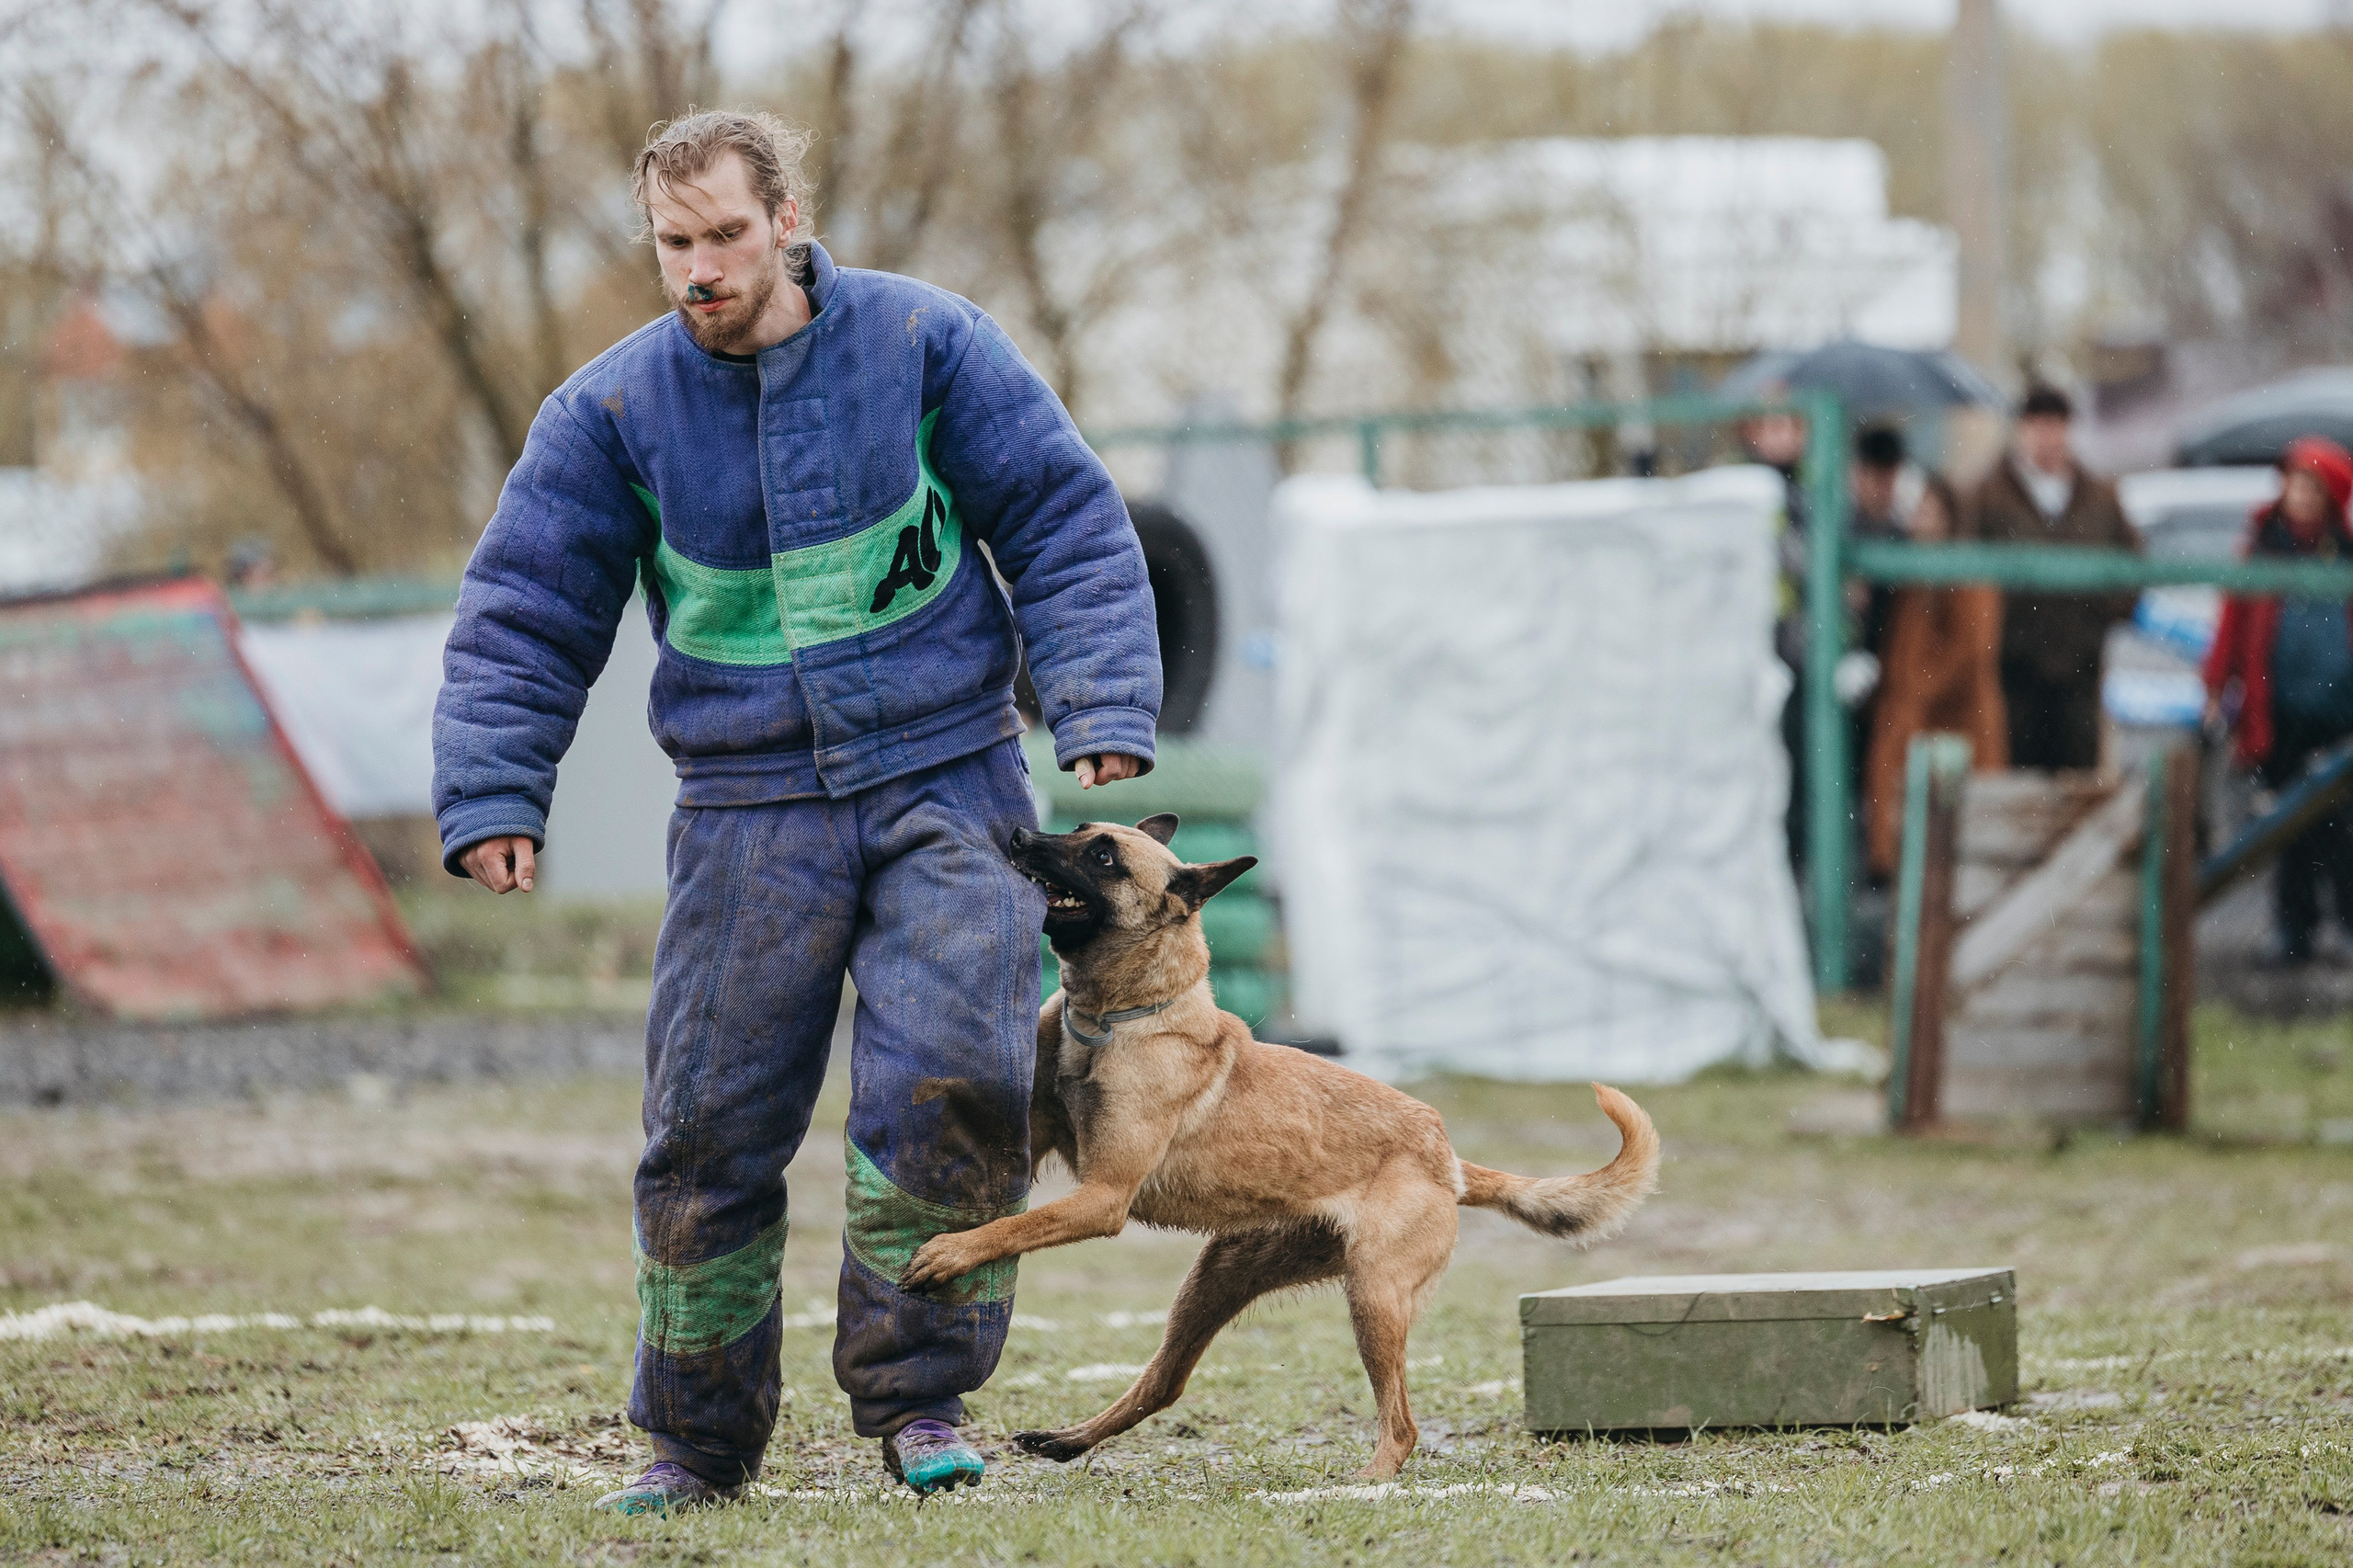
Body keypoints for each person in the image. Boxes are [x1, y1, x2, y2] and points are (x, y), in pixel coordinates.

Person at [429, 110, 1161, 1510]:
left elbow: (1064, 518)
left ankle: (921, 1397)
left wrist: (1103, 708)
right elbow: (522, 609)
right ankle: (698, 1439)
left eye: (723, 236)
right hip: (747, 808)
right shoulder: (608, 414)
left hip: (954, 781)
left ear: (786, 218)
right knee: (706, 1126)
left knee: (957, 1080)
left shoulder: (924, 345)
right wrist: (492, 791)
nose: (698, 268)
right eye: (672, 242)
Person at [2202, 436, 2353, 965]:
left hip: (2340, 712)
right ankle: (2294, 928)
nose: (2301, 496)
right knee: (2287, 824)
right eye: (2295, 483)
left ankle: (2347, 925)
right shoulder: (2263, 547)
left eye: (2313, 487)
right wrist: (2217, 688)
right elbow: (2231, 624)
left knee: (2342, 825)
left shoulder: (2346, 550)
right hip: (2281, 710)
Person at [1963, 384, 2140, 770]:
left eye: (2055, 426)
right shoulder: (1989, 497)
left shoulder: (2099, 497)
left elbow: (2132, 567)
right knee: (2015, 775)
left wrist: (2097, 615)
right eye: (2037, 426)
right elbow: (1966, 571)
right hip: (2013, 667)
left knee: (2077, 779)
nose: (2047, 437)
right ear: (2021, 431)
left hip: (2080, 667)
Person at [1862, 474, 2007, 880]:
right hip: (1911, 727)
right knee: (1911, 855)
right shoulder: (1914, 573)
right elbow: (1899, 648)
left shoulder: (1966, 575)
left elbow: (1969, 654)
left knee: (1957, 853)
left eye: (1928, 511)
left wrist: (1912, 696)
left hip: (1954, 729)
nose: (1918, 522)